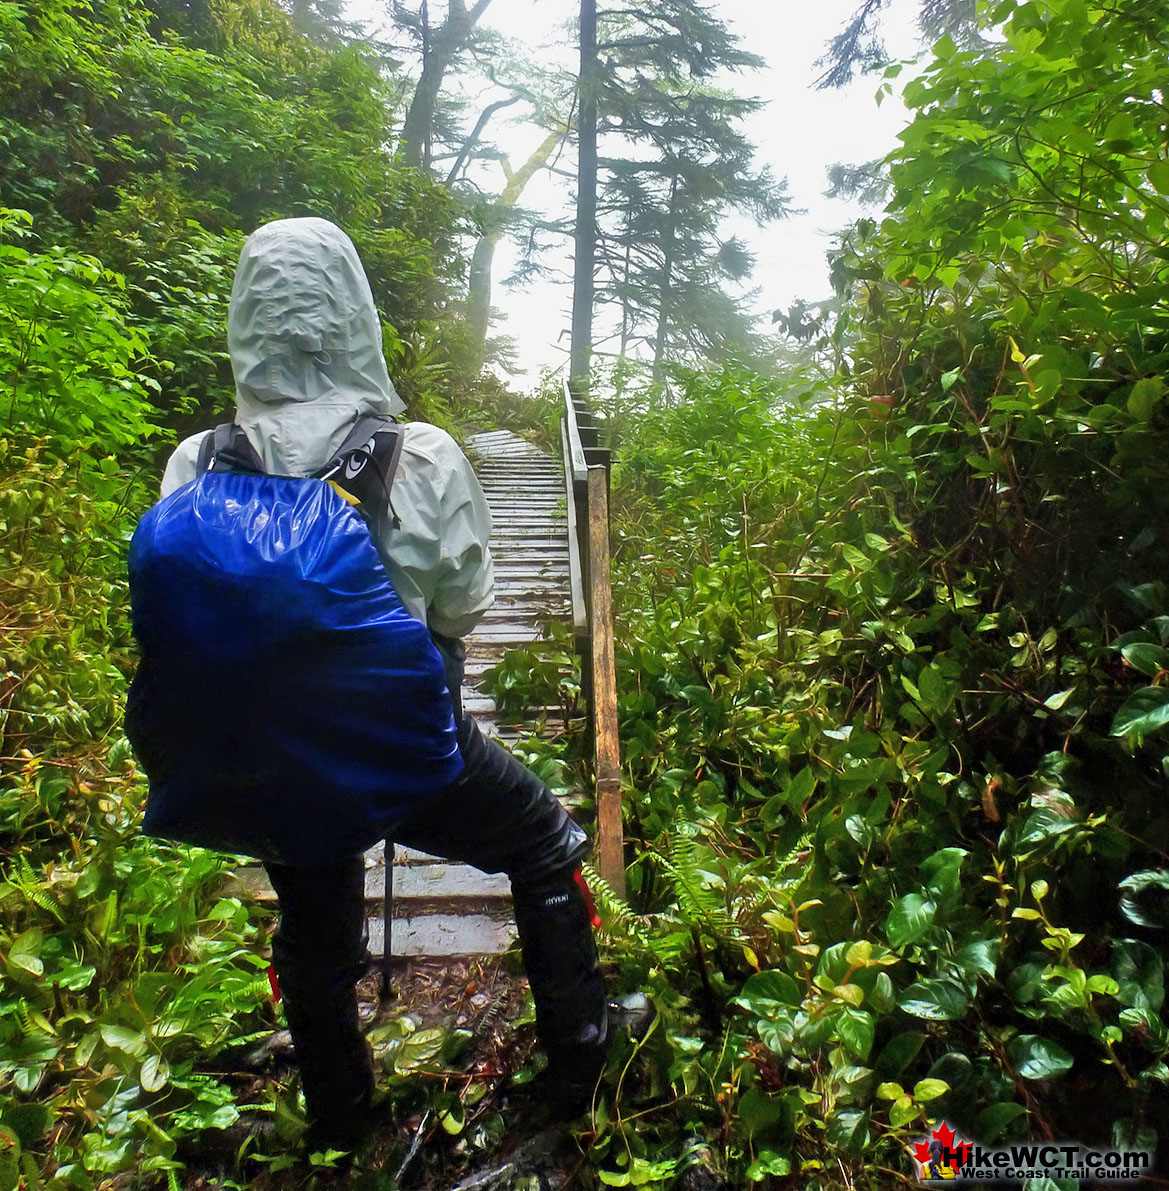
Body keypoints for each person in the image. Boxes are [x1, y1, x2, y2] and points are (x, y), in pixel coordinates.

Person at [146, 217, 608, 1149]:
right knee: (544, 844)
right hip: (408, 754)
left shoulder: (196, 462)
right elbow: (464, 609)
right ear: (356, 313)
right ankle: (579, 1073)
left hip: (264, 759)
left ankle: (339, 1115)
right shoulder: (422, 454)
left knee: (313, 924)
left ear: (244, 318)